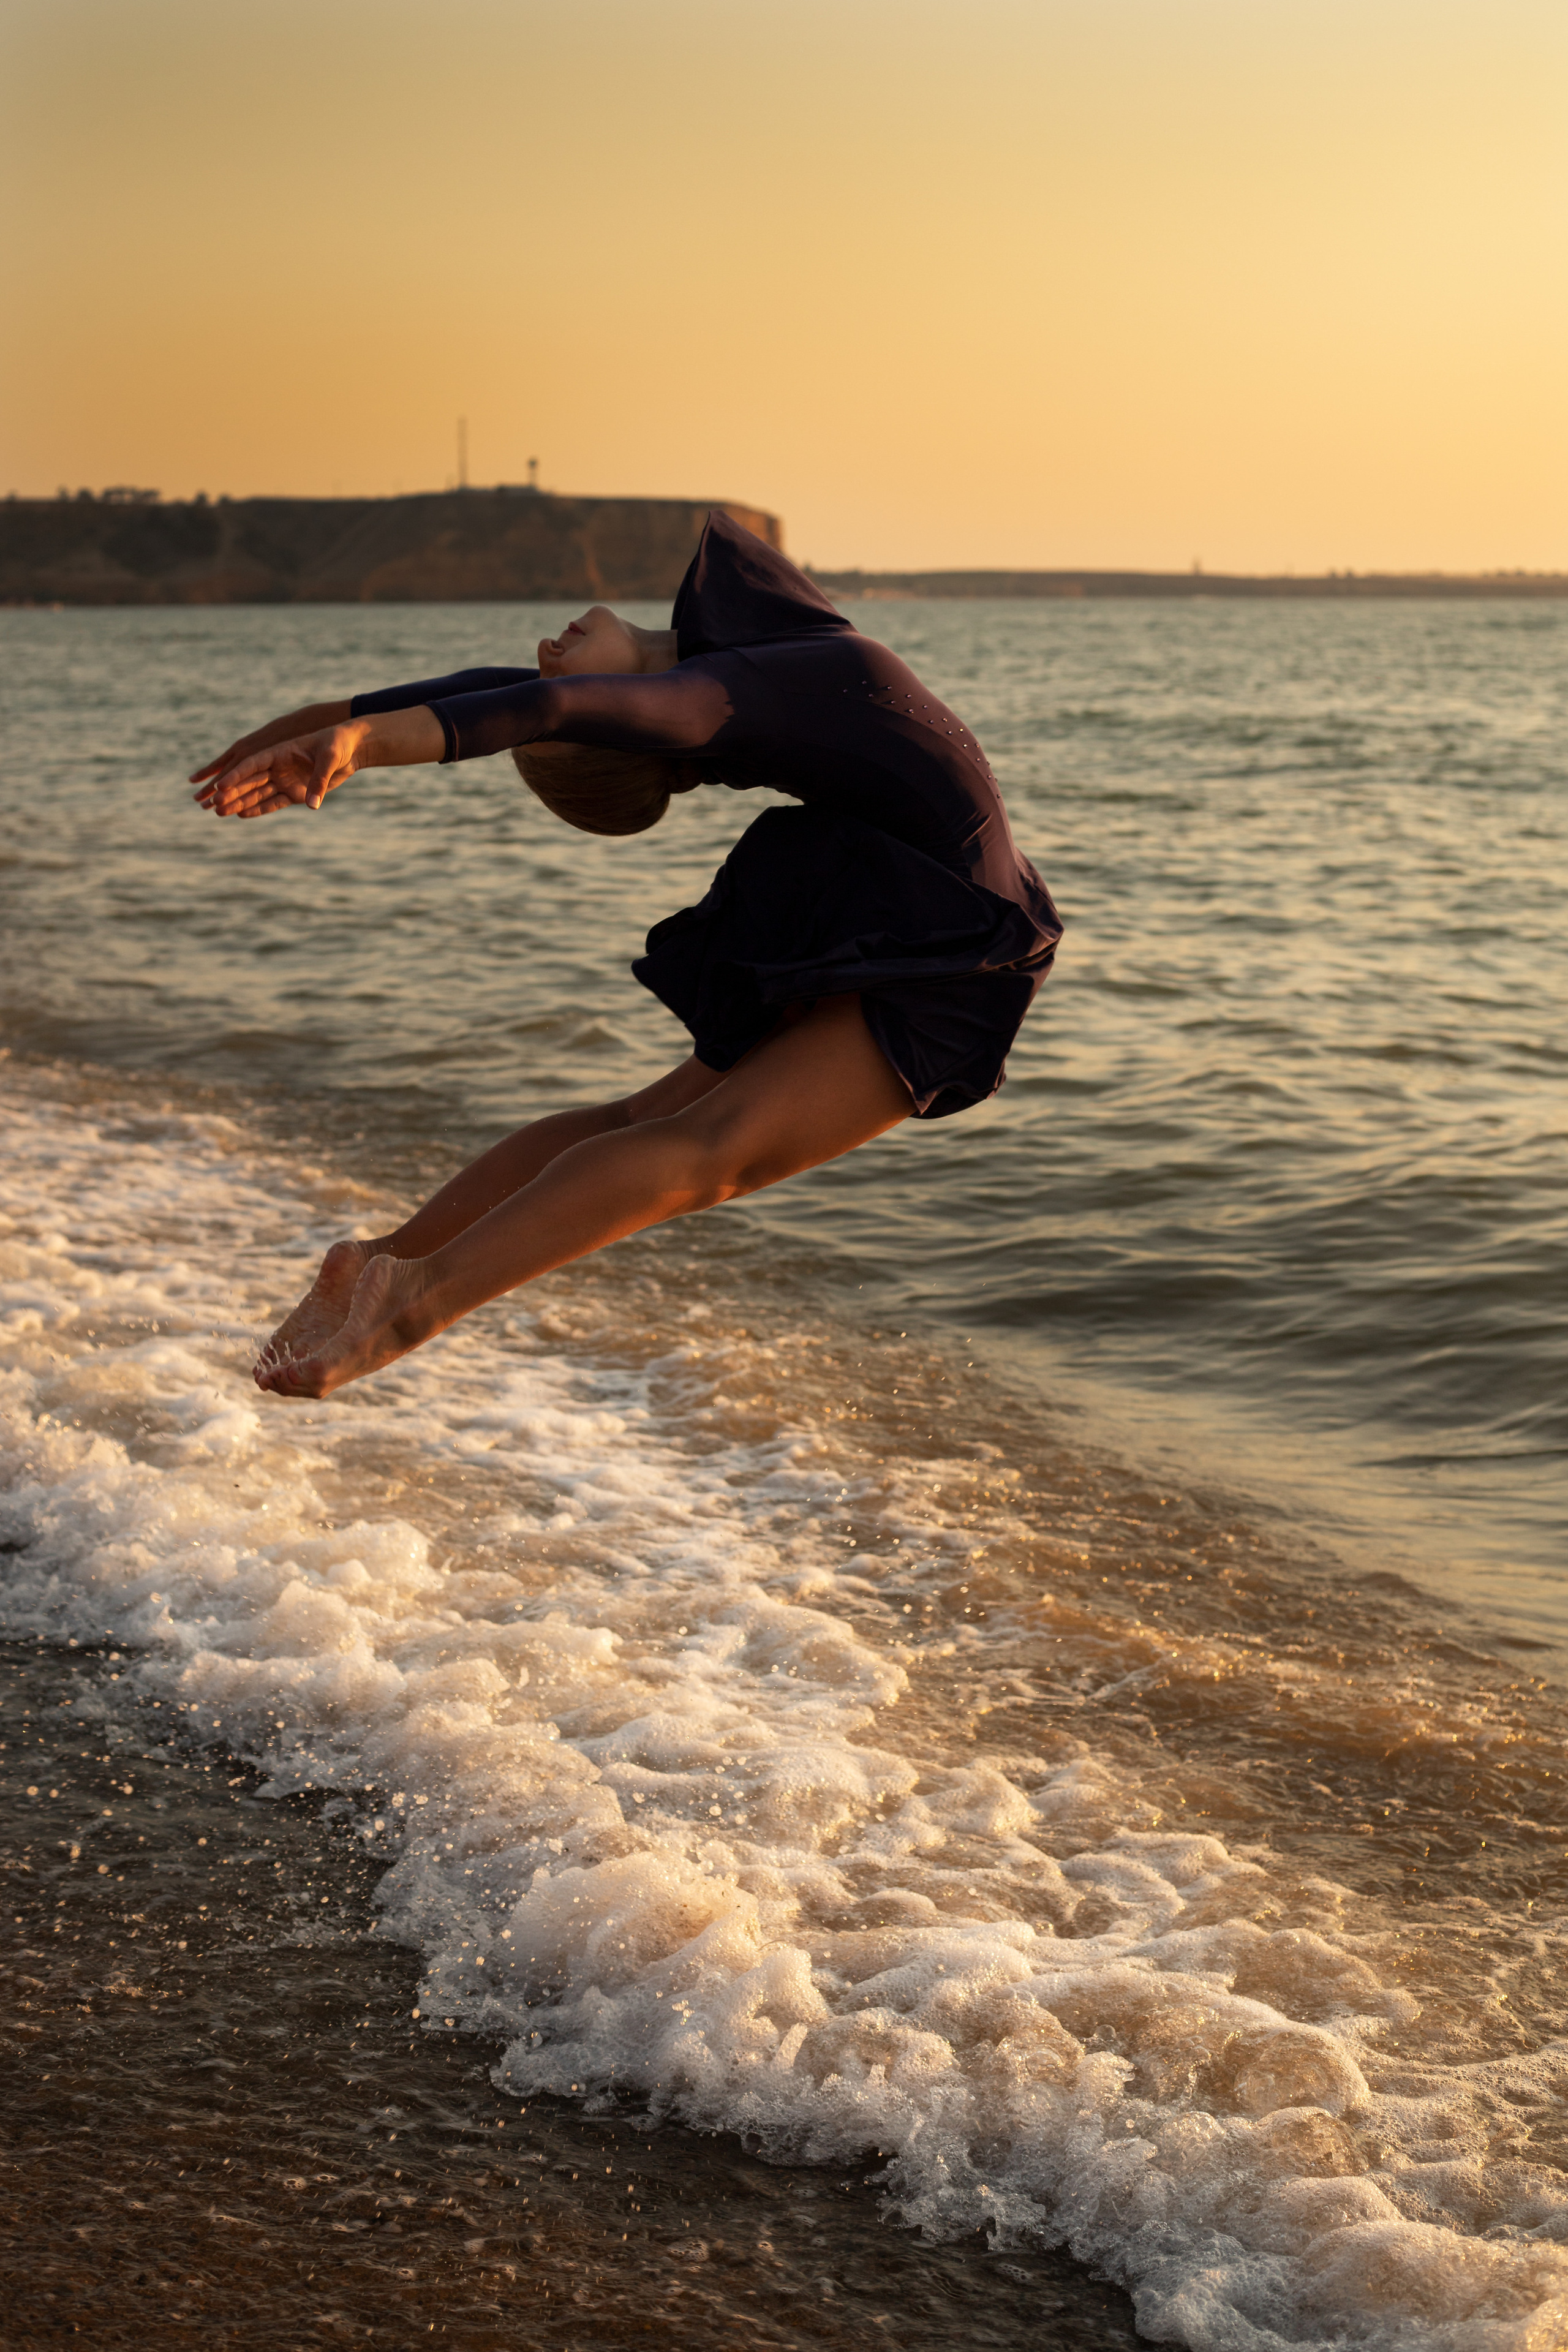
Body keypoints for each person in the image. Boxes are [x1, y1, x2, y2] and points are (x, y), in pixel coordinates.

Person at [192, 513, 1063, 1400]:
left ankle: (389, 1268)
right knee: (705, 1149)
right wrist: (333, 742)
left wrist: (316, 740)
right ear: (625, 727)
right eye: (562, 678)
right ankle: (404, 1291)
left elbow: (505, 698)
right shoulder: (720, 687)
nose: (543, 646)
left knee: (656, 1126)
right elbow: (519, 700)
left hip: (906, 901)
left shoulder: (727, 670)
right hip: (951, 928)